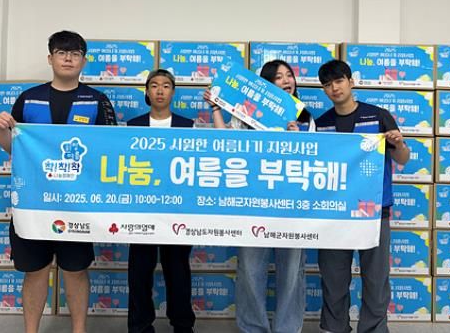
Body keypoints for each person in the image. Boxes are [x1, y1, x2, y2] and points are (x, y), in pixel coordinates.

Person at [0, 30, 117, 333]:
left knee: (75, 270)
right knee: (35, 271)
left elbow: (111, 151)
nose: (68, 58)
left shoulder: (98, 101)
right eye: (61, 52)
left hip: (78, 205)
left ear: (83, 61)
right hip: (33, 203)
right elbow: (15, 150)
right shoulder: (28, 98)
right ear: (50, 58)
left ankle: (79, 330)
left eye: (75, 53)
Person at [206, 59, 313, 333]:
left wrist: (298, 139)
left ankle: (288, 328)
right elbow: (225, 143)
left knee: (292, 272)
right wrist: (216, 108)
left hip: (292, 207)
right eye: (278, 77)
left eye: (289, 75)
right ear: (265, 85)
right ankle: (253, 328)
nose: (286, 80)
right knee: (250, 270)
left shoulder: (305, 119)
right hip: (253, 204)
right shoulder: (245, 115)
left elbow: (314, 160)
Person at [315, 59, 410, 333]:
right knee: (333, 279)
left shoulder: (378, 116)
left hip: (374, 212)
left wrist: (398, 143)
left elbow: (402, 158)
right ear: (324, 90)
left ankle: (374, 329)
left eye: (339, 81)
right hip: (334, 213)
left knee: (376, 279)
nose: (335, 88)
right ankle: (334, 327)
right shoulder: (321, 124)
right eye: (328, 84)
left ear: (351, 82)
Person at [126, 68, 196, 333]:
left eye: (166, 85)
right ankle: (140, 325)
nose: (159, 90)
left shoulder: (187, 126)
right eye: (154, 85)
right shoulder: (133, 126)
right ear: (147, 91)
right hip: (142, 210)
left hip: (177, 210)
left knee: (178, 271)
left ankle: (183, 325)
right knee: (140, 271)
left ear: (173, 92)